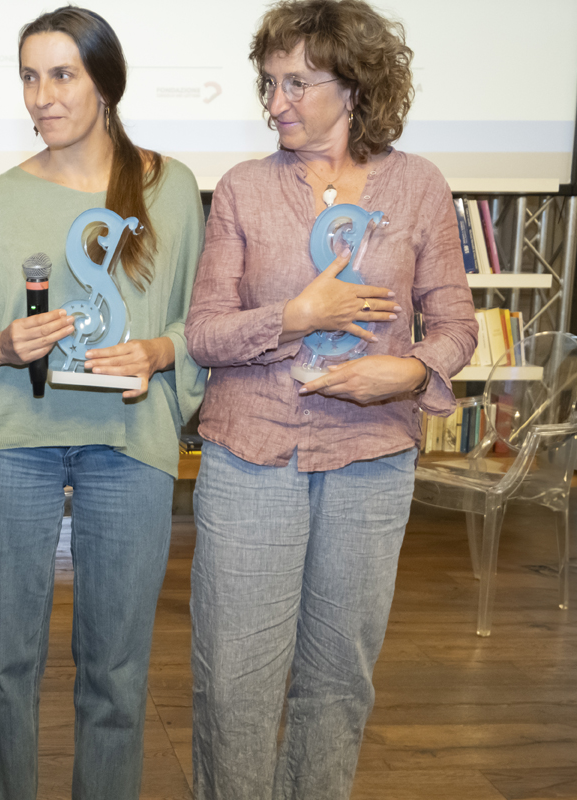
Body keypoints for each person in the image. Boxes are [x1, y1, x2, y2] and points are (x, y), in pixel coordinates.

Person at [183, 1, 478, 798]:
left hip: (371, 464)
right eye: (268, 82)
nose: (274, 101)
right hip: (252, 459)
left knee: (339, 686)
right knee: (234, 688)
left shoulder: (418, 187)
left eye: (295, 82)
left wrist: (410, 372)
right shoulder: (244, 189)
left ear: (353, 86)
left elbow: (455, 324)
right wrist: (294, 318)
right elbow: (205, 333)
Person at [0, 7, 206, 798]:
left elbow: (202, 328)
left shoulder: (172, 188)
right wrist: (1, 347)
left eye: (62, 75)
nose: (41, 96)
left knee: (116, 672)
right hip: (12, 442)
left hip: (130, 445)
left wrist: (158, 353)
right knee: (6, 664)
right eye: (28, 75)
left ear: (105, 83)